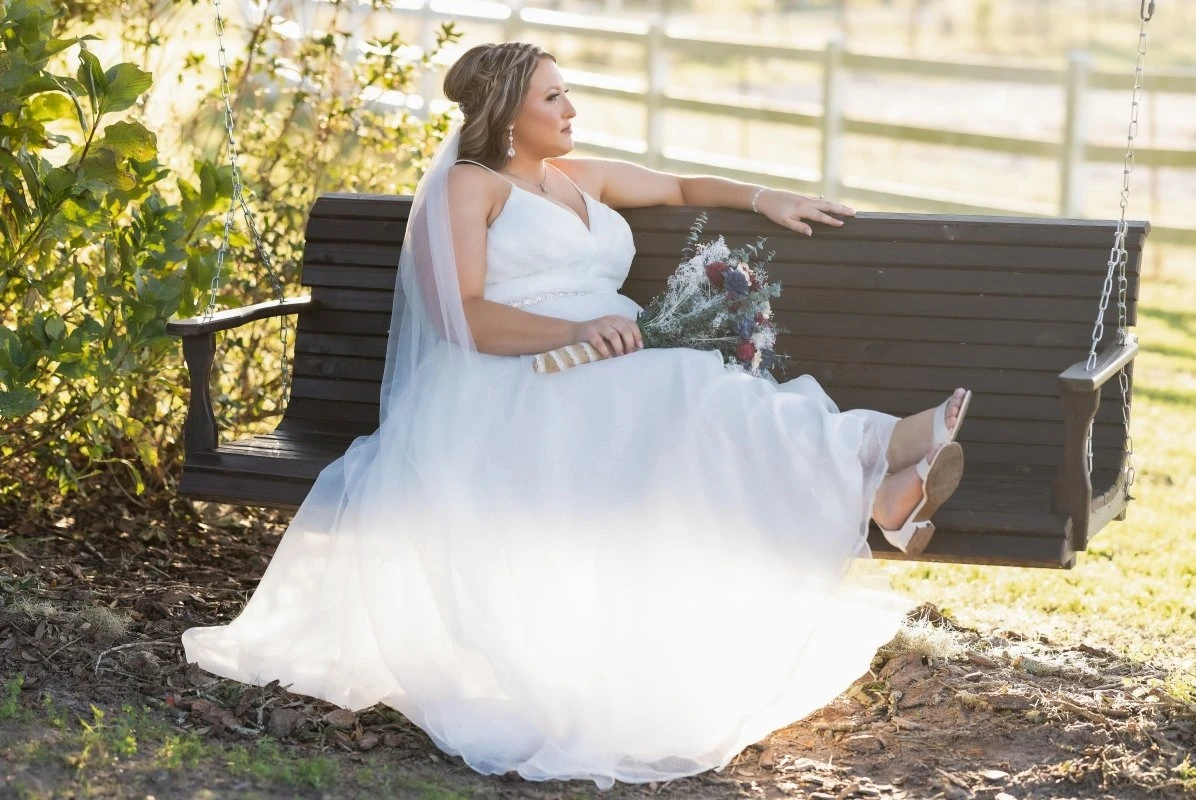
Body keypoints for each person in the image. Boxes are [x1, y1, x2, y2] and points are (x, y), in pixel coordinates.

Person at [182, 41, 972, 789]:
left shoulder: (574, 178)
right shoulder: (469, 187)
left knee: (703, 393)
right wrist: (576, 331)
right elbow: (464, 313)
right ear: (505, 112)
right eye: (552, 96)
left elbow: (680, 190)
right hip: (514, 377)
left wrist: (768, 197)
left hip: (607, 366)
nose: (570, 108)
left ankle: (881, 469)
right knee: (694, 391)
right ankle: (879, 465)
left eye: (566, 92)